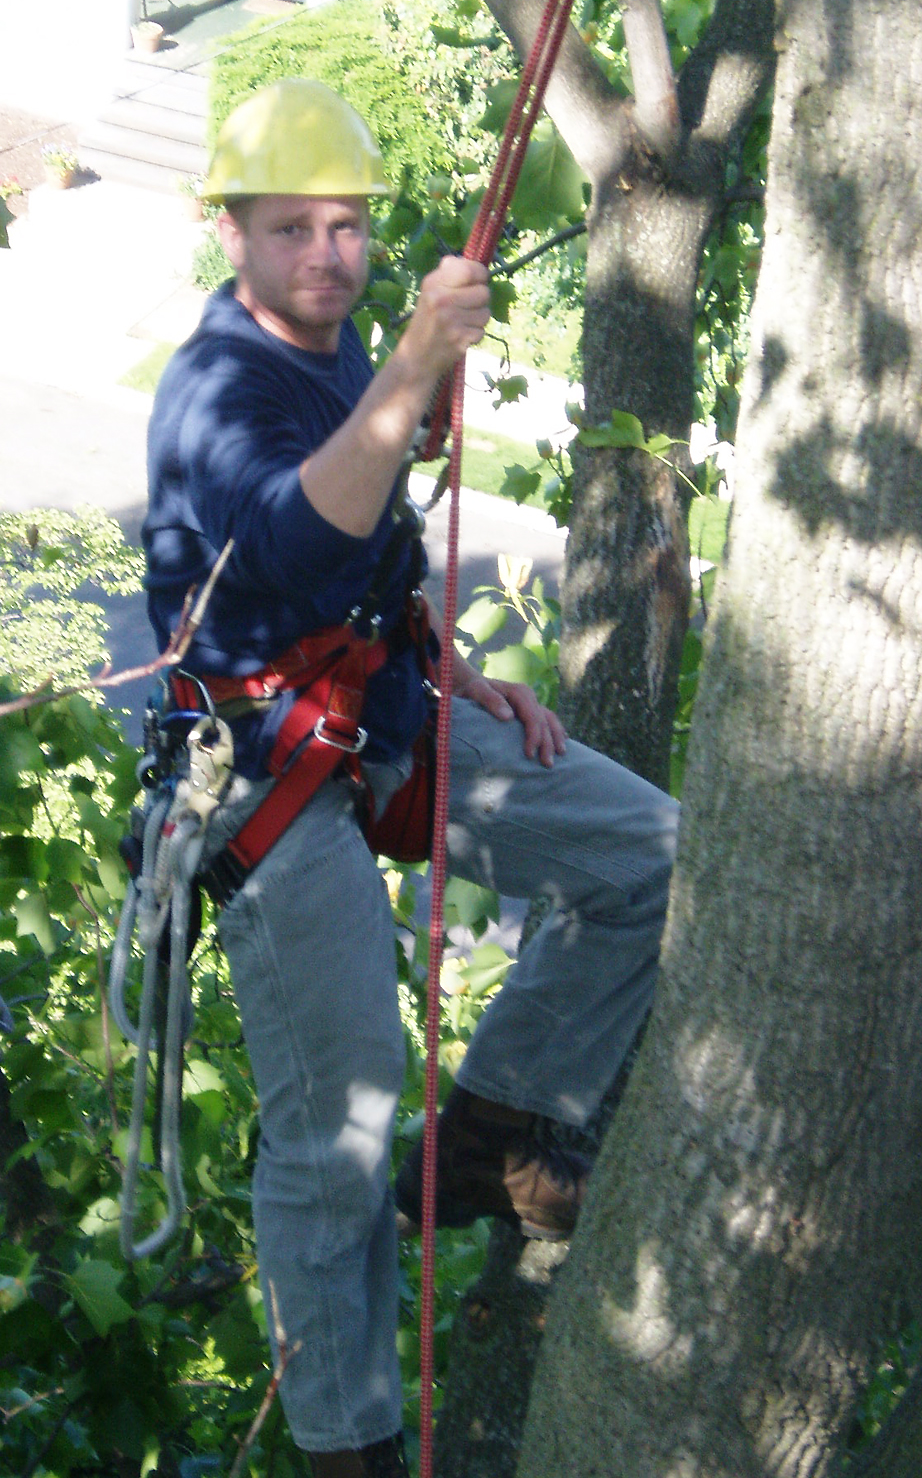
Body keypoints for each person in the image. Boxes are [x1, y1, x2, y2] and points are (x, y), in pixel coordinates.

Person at [143, 78, 680, 1478]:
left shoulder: (334, 351)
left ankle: (496, 1117)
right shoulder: (217, 386)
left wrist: (447, 662)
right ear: (235, 234)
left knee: (651, 855)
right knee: (337, 1132)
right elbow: (295, 551)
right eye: (293, 230)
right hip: (264, 776)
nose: (330, 255)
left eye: (348, 227)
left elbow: (369, 562)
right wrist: (408, 372)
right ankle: (351, 1447)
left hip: (374, 708)